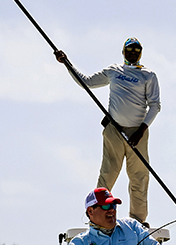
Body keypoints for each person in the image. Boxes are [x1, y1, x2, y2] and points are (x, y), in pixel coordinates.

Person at [55, 38, 161, 226]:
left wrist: (142, 130)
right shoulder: (114, 71)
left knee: (139, 177)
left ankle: (138, 221)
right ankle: (97, 218)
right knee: (108, 174)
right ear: (123, 52)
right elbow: (86, 82)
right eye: (130, 49)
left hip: (138, 133)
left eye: (137, 49)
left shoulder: (148, 75)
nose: (133, 52)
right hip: (114, 130)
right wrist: (67, 64)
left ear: (141, 53)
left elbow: (154, 106)